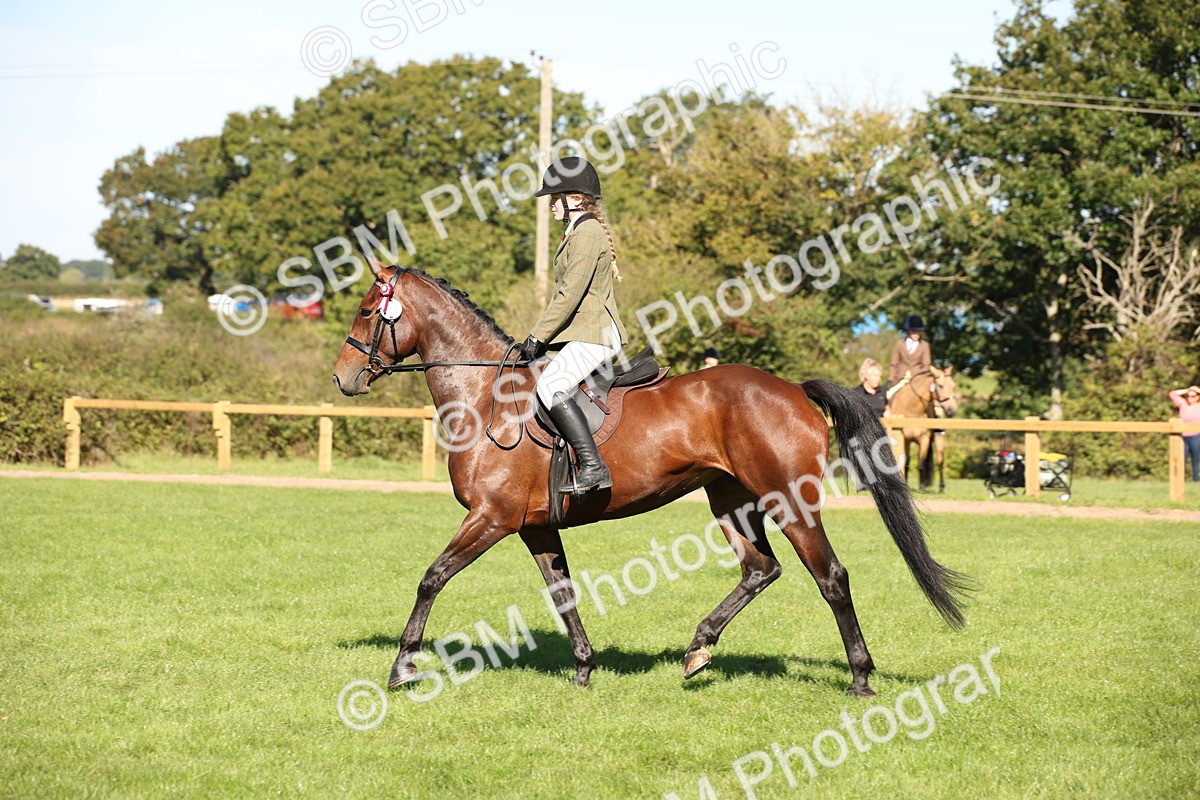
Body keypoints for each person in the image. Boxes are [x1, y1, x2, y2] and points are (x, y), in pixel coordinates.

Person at [515, 157, 628, 493]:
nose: (551, 204)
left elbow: (569, 295)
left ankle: (594, 468)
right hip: (584, 333)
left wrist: (537, 336)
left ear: (576, 199)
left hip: (596, 334)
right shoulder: (579, 231)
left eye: (555, 198)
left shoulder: (587, 233)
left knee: (550, 388)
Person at [1169, 384, 1200, 481]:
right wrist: (1187, 390)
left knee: (1196, 460)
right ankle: (1180, 480)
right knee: (1181, 459)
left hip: (1196, 436)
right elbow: (1172, 394)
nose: (1190, 398)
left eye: (1193, 396)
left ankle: (1195, 480)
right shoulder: (1183, 405)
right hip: (1183, 436)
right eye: (1189, 396)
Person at [889, 315, 932, 385]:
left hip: (917, 379)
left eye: (918, 332)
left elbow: (926, 365)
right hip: (900, 378)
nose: (916, 334)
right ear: (909, 331)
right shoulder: (899, 344)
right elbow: (894, 364)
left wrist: (913, 374)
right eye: (913, 332)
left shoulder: (924, 345)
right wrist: (891, 379)